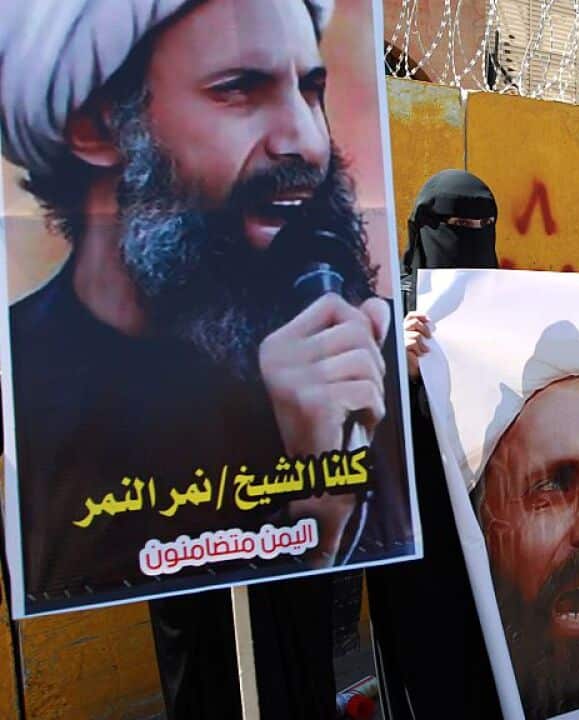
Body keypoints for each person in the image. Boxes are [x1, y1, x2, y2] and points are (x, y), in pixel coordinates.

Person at [0, 1, 413, 716]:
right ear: (96, 127)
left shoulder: (326, 338)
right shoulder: (36, 381)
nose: (306, 143)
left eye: (309, 89)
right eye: (239, 90)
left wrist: (323, 508)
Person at [367, 169, 501, 718]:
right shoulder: (379, 307)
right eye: (453, 225)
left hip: (488, 525)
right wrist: (399, 371)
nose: (466, 236)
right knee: (426, 664)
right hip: (414, 528)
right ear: (421, 227)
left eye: (479, 226)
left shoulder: (505, 303)